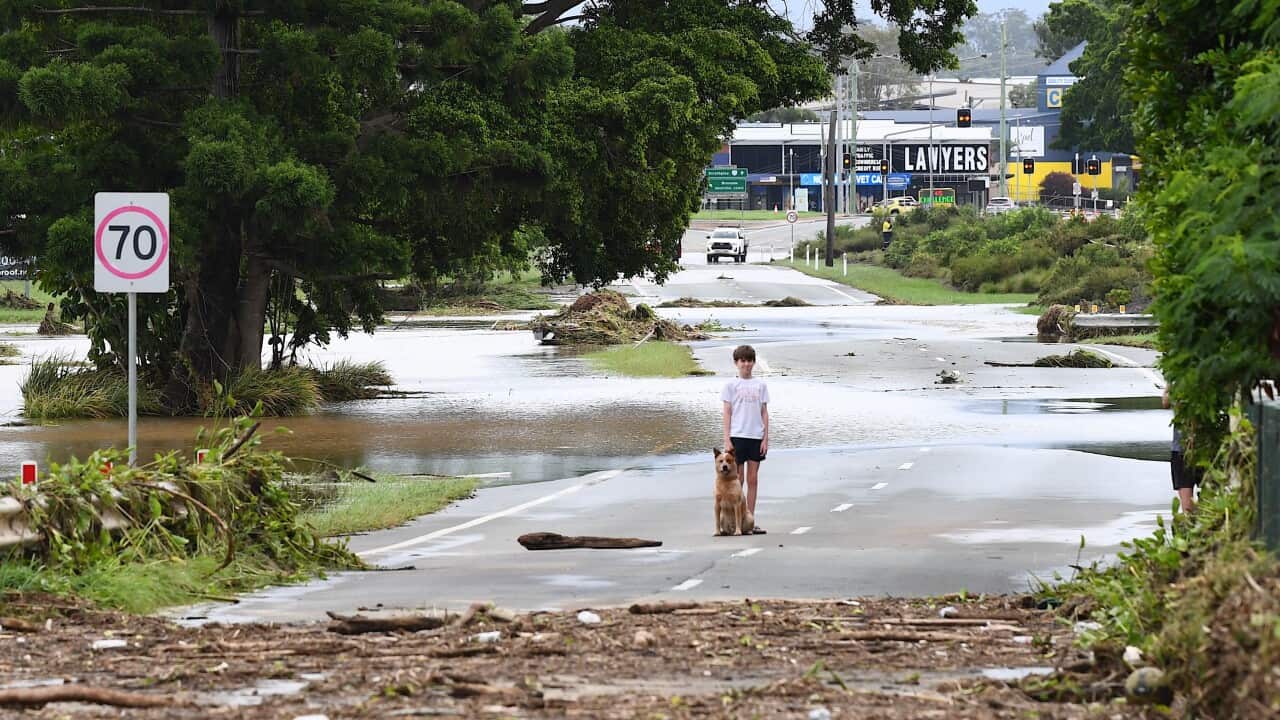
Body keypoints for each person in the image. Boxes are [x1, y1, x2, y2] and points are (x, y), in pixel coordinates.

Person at [722, 345, 769, 534]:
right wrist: (727, 439)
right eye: (743, 361)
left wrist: (765, 438)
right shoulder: (731, 386)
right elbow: (727, 412)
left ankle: (749, 519)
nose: (746, 364)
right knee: (737, 480)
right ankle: (735, 520)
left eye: (749, 361)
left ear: (753, 363)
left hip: (755, 436)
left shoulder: (760, 385)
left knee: (753, 479)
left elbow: (764, 412)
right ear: (736, 363)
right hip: (737, 436)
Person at [1163, 386, 1199, 512]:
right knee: (1189, 504)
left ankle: (1194, 524)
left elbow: (1166, 402)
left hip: (1195, 448)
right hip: (1184, 449)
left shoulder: (1180, 380)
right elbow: (1166, 403)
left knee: (1192, 502)